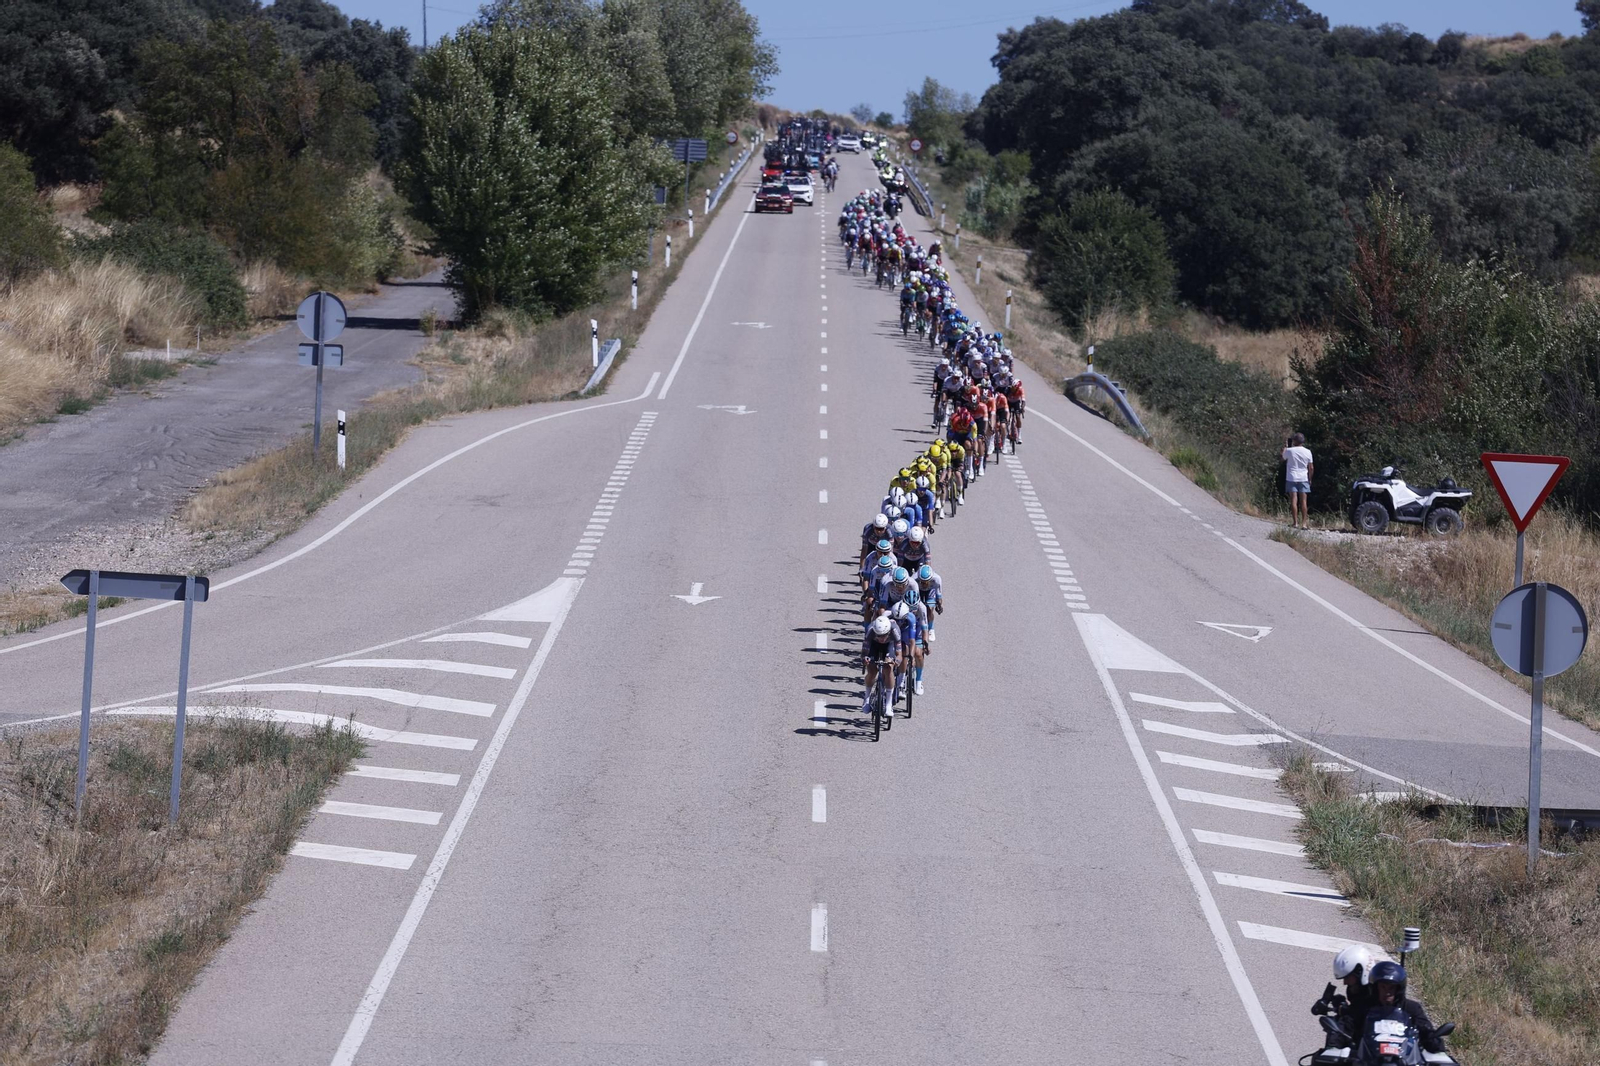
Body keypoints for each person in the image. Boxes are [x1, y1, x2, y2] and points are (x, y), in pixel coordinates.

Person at [1361, 961, 1445, 1054]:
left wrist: (1435, 1044)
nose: (1387, 992)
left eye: (1391, 988)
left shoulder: (1412, 1008)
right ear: (1375, 988)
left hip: (1404, 1058)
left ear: (1398, 989)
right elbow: (1349, 1028)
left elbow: (1426, 1031)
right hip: (1368, 1057)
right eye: (1383, 987)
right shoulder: (1363, 1007)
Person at [1312, 945, 1377, 1048]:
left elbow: (1359, 1015)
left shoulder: (1380, 993)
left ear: (1359, 971)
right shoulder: (1357, 991)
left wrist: (1345, 1011)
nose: (1345, 982)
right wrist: (1343, 1008)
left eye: (1347, 977)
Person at [1283, 431, 1314, 528]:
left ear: (1295, 441)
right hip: (1303, 478)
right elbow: (1311, 467)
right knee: (1304, 501)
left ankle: (1295, 522)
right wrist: (1310, 479)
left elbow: (1282, 458)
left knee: (1293, 500)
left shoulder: (1289, 451)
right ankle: (1304, 524)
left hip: (1291, 477)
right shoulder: (1308, 452)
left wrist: (1285, 447)